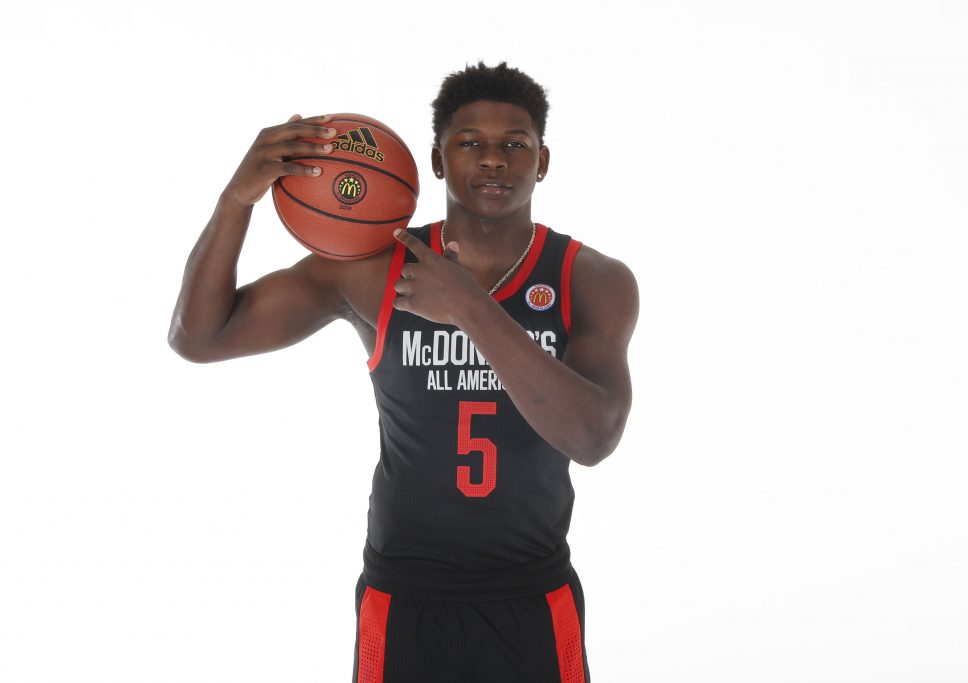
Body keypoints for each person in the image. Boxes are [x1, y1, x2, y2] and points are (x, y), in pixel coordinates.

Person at [168, 62, 638, 683]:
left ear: (542, 161)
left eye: (514, 144)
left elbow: (594, 437)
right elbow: (198, 337)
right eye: (469, 142)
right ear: (437, 161)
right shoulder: (367, 268)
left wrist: (471, 309)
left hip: (532, 591)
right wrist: (236, 202)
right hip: (404, 593)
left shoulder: (591, 278)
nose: (492, 159)